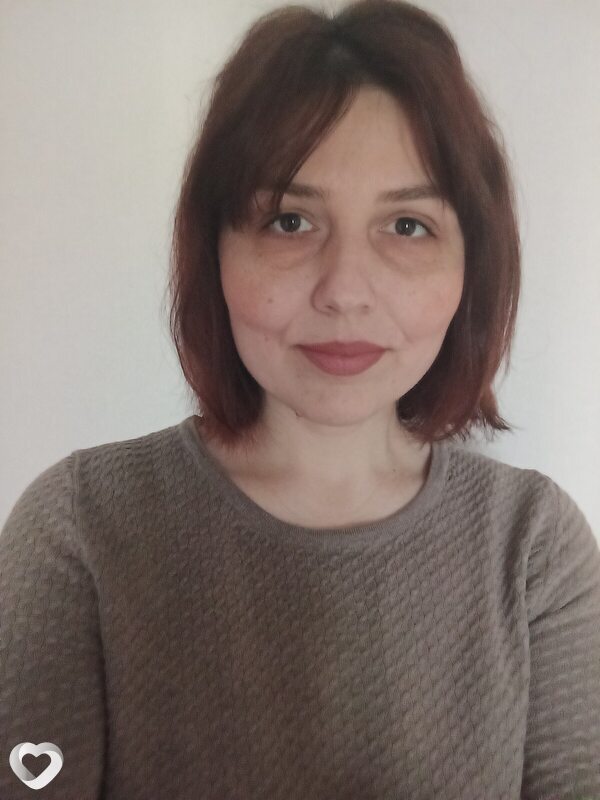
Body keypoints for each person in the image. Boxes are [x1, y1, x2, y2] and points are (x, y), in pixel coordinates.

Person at [1, 1, 599, 798]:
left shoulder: (534, 549)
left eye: (407, 226)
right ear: (214, 252)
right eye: (289, 220)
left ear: (472, 268)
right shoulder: (78, 529)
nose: (345, 290)